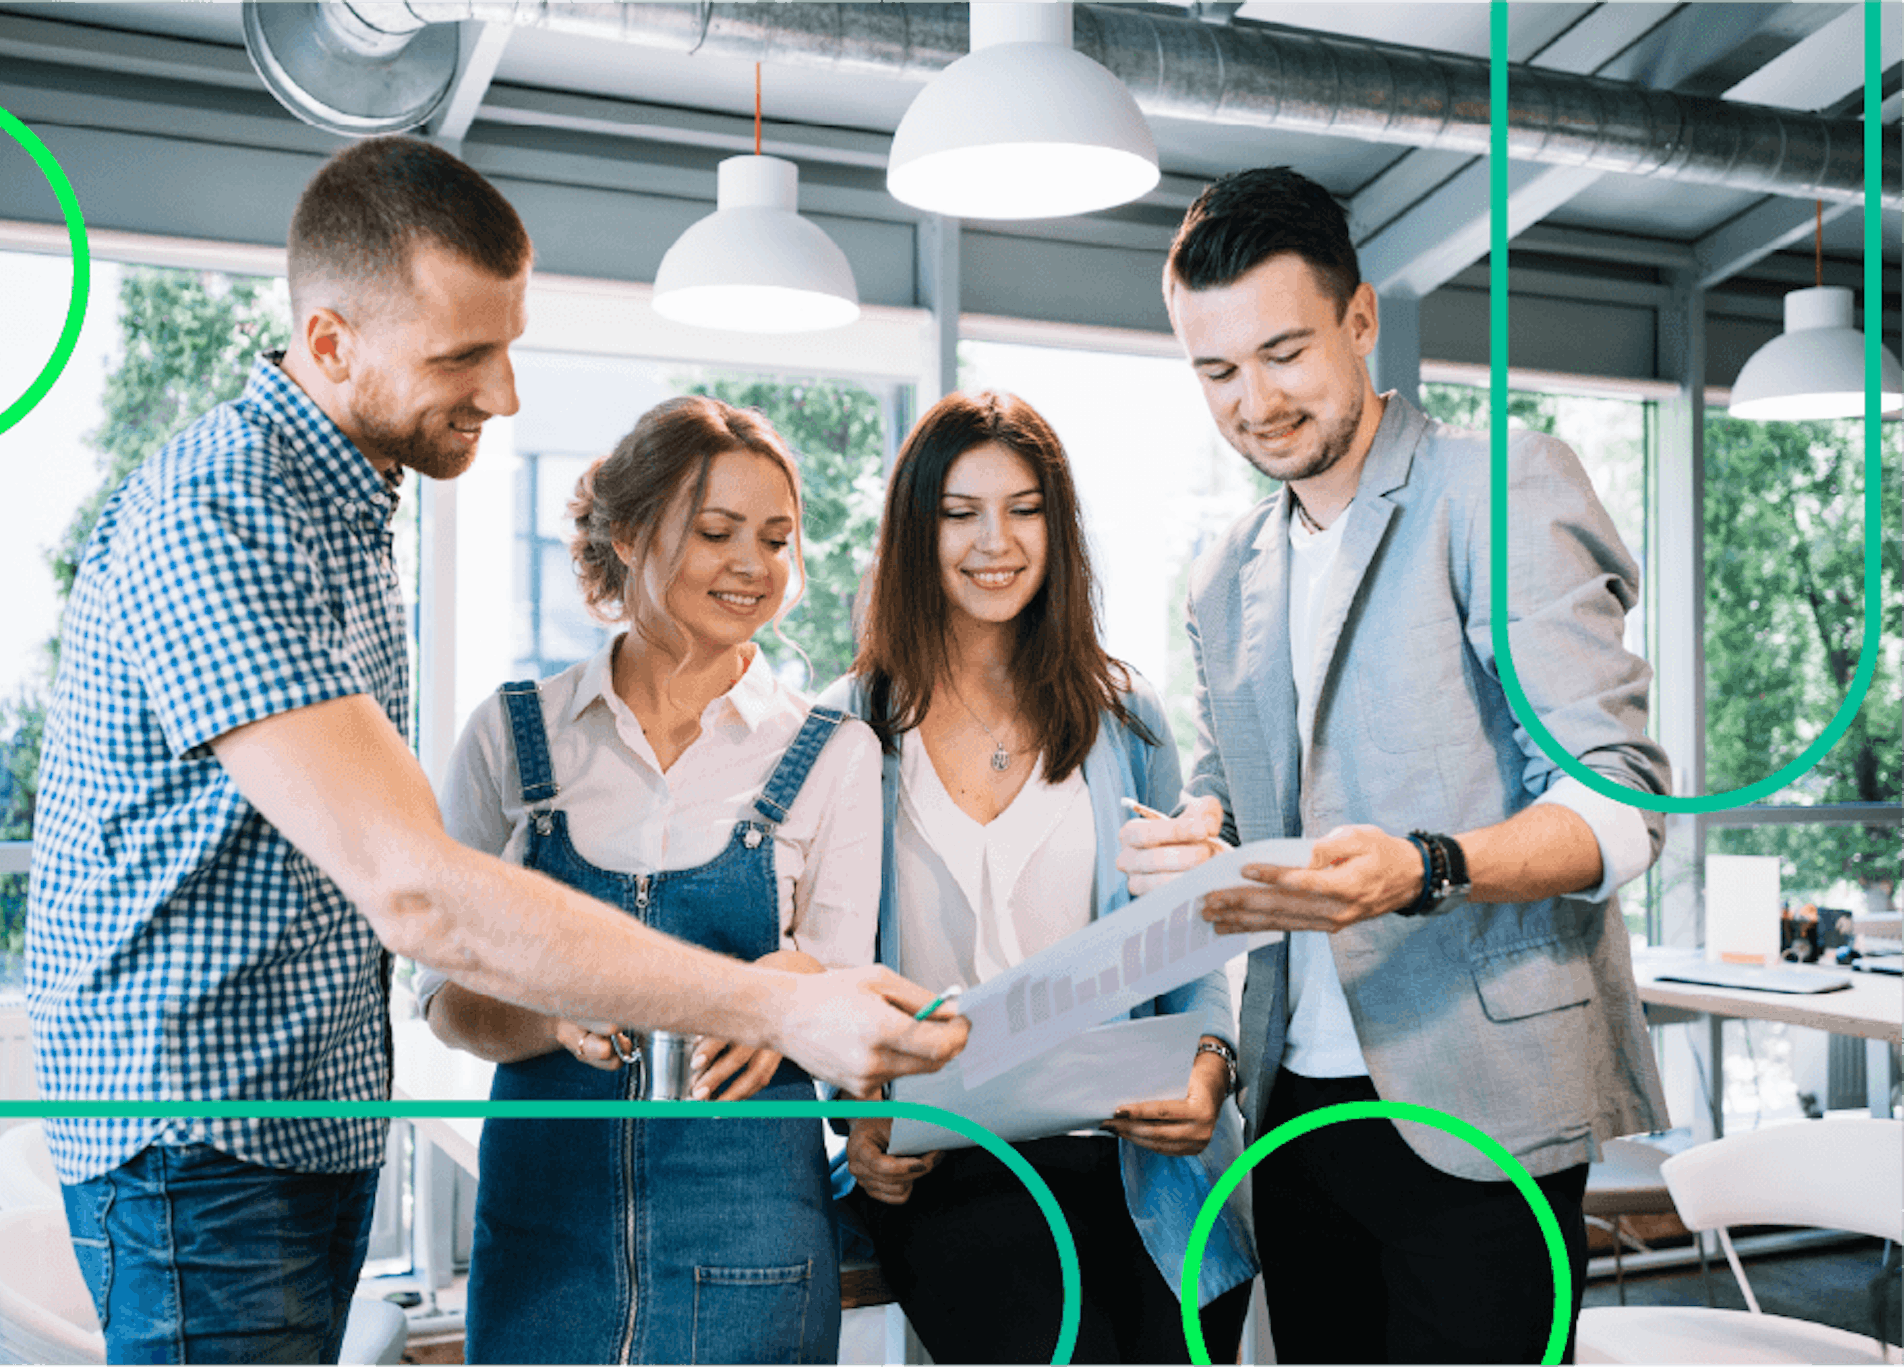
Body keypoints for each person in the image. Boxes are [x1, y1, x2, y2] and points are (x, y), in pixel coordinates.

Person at [25, 137, 965, 1364]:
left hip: (293, 1132)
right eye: (463, 354)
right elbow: (414, 888)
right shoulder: (227, 513)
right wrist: (760, 996)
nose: (505, 393)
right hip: (202, 1139)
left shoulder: (347, 515)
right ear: (329, 344)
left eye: (506, 344)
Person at [1119, 165, 1672, 1364]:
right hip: (1293, 1105)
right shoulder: (1223, 571)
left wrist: (1424, 866)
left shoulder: (1493, 489)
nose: (1252, 401)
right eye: (1214, 371)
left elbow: (1619, 803)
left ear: (1359, 321)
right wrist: (1190, 838)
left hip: (1480, 1103)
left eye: (1282, 353)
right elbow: (1232, 793)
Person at [416, 395, 873, 1364]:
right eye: (716, 532)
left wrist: (787, 997)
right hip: (546, 1240)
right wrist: (548, 1018)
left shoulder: (832, 753)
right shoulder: (512, 735)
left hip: (750, 1245)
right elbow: (446, 999)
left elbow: (844, 1008)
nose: (753, 564)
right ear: (624, 534)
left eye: (777, 538)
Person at [830, 392, 1258, 1365]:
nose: (996, 540)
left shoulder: (1124, 715)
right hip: (951, 1159)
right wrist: (854, 1112)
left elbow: (1186, 936)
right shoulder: (847, 726)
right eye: (959, 511)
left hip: (1142, 1159)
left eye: (1023, 508)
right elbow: (823, 968)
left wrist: (1208, 1064)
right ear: (913, 530)